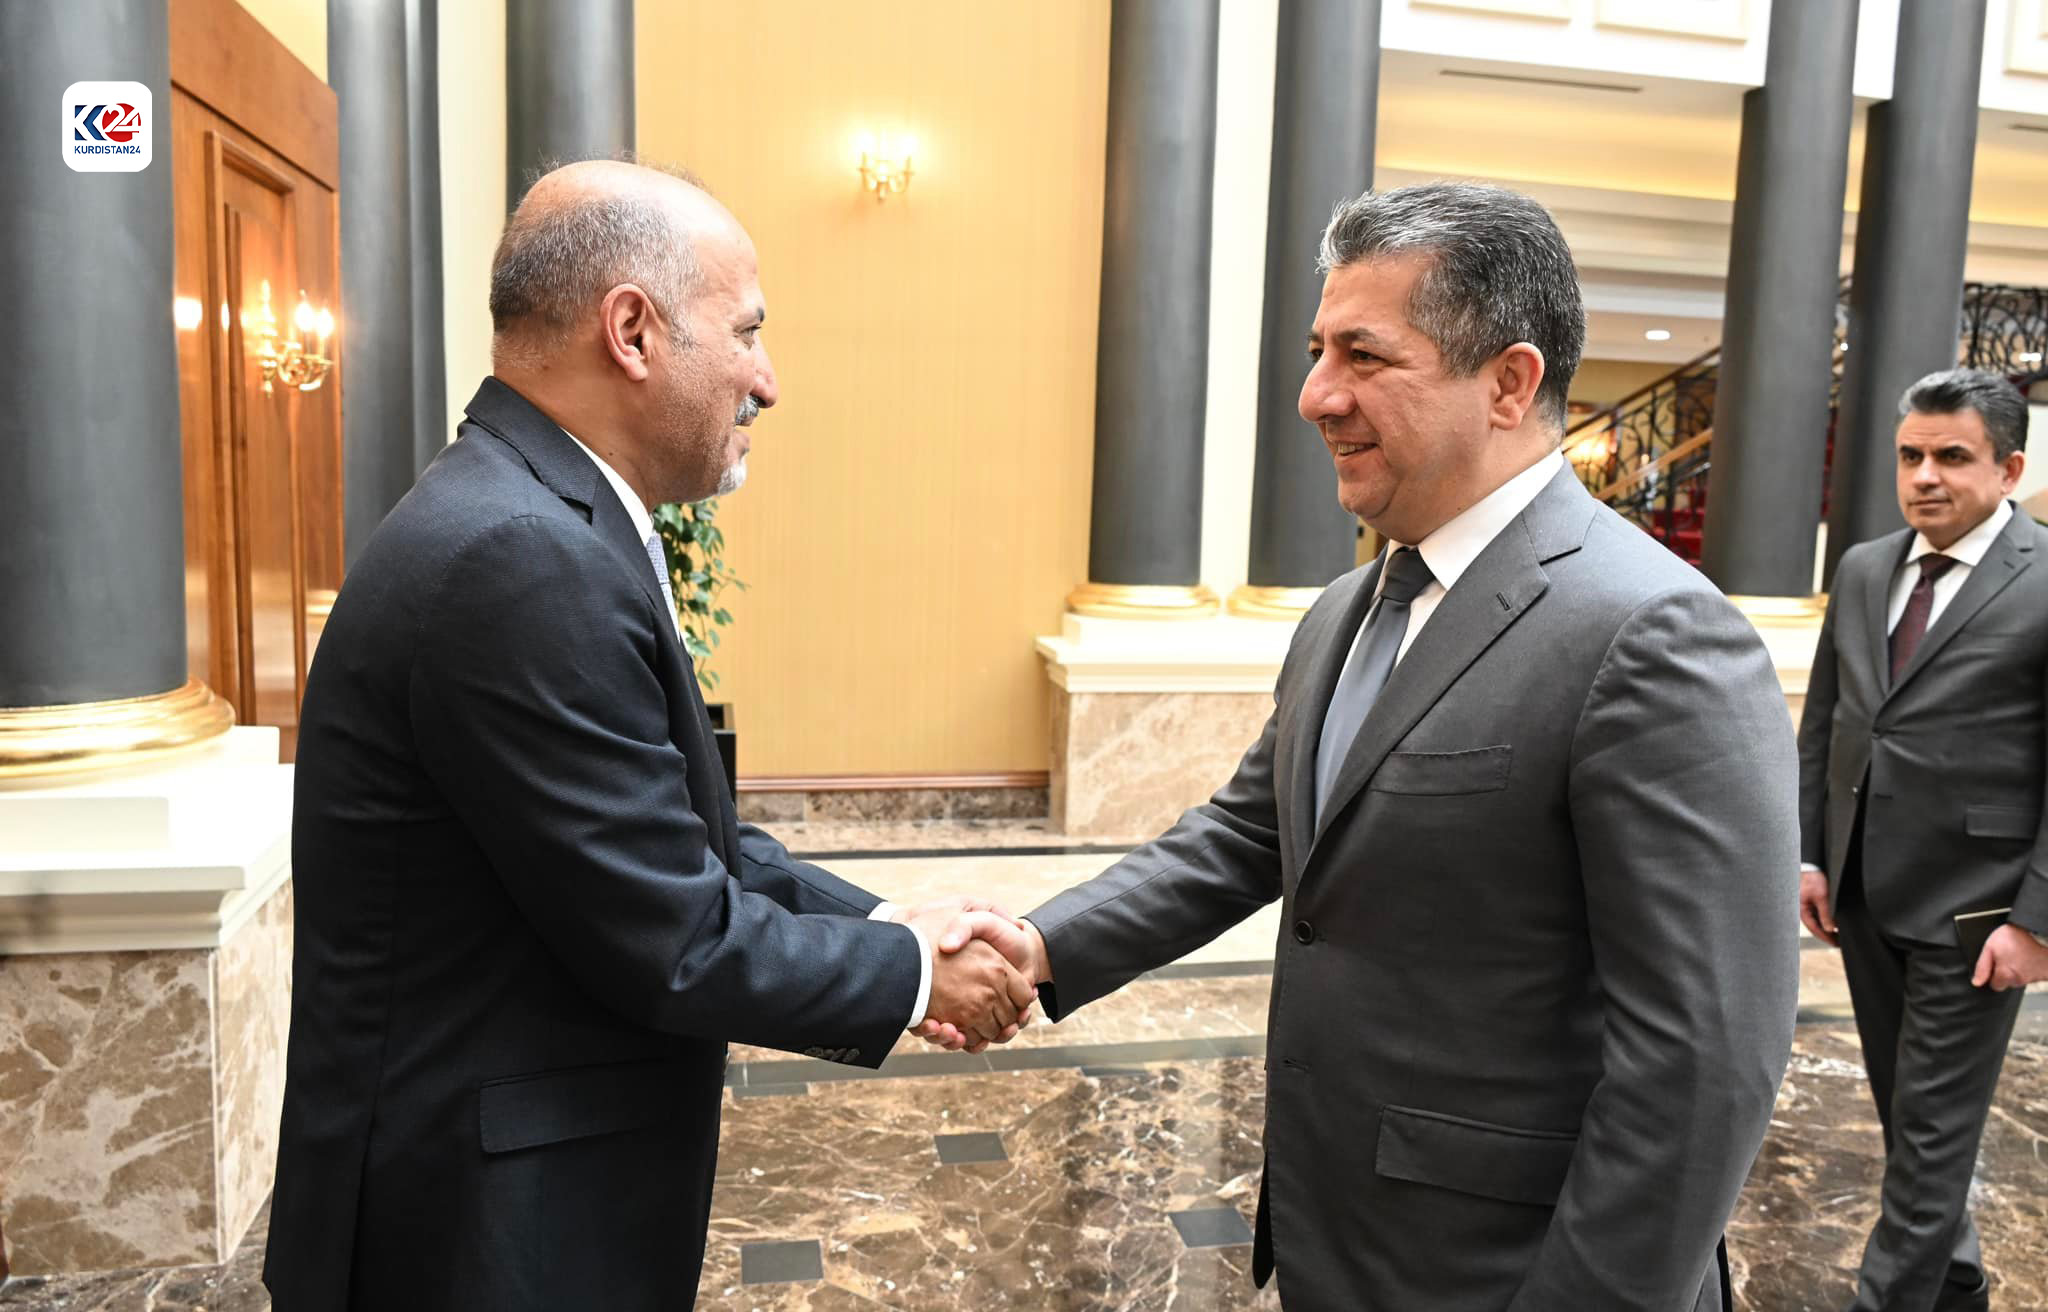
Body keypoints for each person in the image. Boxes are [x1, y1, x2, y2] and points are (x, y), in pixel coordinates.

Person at [938, 182, 1801, 1309]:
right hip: (1335, 1236)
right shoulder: (1345, 608)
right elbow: (1247, 837)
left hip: (1511, 1272)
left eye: (1362, 356)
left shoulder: (1652, 634)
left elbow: (1703, 1064)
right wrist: (1037, 944)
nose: (1313, 397)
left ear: (1508, 381)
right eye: (1314, 351)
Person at [262, 160, 1033, 1311]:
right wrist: (920, 969)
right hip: (481, 1237)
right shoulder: (517, 556)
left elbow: (666, 835)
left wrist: (886, 919)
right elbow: (672, 934)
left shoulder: (529, 512)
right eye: (747, 331)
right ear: (632, 329)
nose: (766, 380)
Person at [1796, 367, 2048, 1312]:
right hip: (1863, 897)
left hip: (1979, 916)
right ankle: (1959, 1287)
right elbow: (1827, 724)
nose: (1926, 476)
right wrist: (1813, 854)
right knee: (1915, 1123)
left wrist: (2038, 920)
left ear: (2009, 467)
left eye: (1952, 456)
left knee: (1933, 1135)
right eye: (1912, 455)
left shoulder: (2044, 579)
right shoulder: (1864, 568)